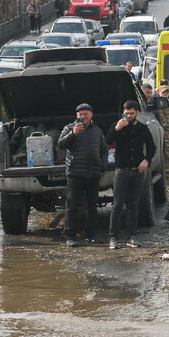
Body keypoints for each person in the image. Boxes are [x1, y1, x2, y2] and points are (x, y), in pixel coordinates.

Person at [107, 99, 156, 249]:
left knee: (134, 204)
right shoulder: (119, 126)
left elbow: (152, 147)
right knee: (117, 204)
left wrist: (146, 161)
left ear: (137, 113)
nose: (128, 116)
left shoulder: (142, 128)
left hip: (138, 171)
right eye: (126, 113)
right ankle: (113, 237)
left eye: (131, 113)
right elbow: (107, 142)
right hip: (121, 171)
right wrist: (116, 129)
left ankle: (131, 236)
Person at [58, 103, 107, 246]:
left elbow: (104, 149)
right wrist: (73, 133)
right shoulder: (69, 128)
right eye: (80, 114)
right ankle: (70, 236)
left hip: (93, 174)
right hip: (75, 173)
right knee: (72, 206)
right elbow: (60, 144)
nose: (83, 116)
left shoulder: (97, 130)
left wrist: (102, 165)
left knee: (92, 206)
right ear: (76, 116)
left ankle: (91, 235)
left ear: (91, 115)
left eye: (85, 113)